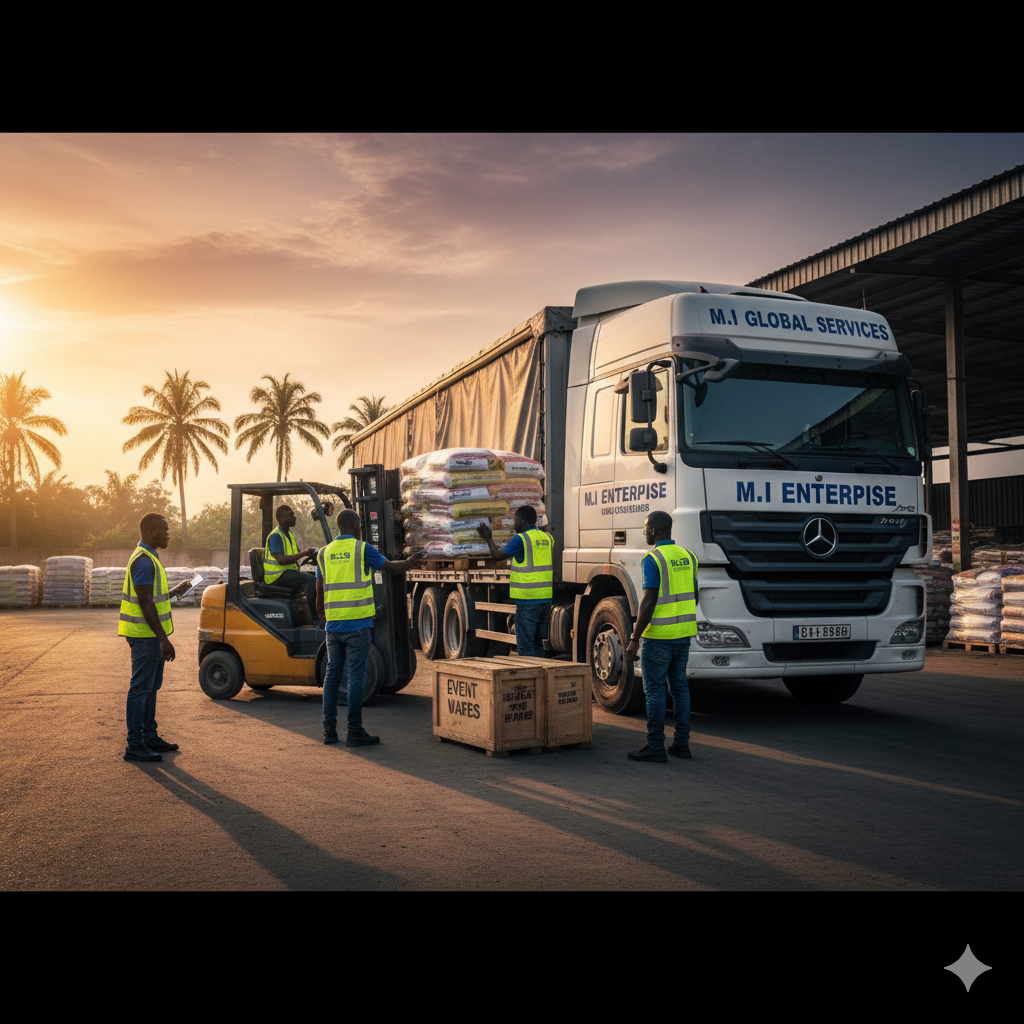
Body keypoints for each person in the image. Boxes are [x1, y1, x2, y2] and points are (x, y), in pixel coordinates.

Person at [317, 509, 424, 747]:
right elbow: (390, 567)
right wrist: (410, 561)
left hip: (333, 626)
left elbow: (318, 590)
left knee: (332, 677)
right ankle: (354, 731)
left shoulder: (324, 553)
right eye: (359, 524)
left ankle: (329, 731)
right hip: (357, 625)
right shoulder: (362, 549)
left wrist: (324, 618)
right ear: (355, 525)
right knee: (356, 677)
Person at [119, 513, 194, 762]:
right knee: (141, 689)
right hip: (145, 637)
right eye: (164, 529)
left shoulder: (150, 557)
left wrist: (175, 591)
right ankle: (135, 744)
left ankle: (149, 736)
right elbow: (143, 601)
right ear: (151, 531)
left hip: (149, 636)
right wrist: (163, 638)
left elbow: (153, 598)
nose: (167, 533)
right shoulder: (143, 560)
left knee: (150, 688)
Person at [624, 510, 699, 763]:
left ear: (655, 530)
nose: (644, 532)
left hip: (659, 638)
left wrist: (635, 637)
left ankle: (656, 745)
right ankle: (681, 745)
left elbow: (648, 601)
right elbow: (694, 596)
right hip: (683, 636)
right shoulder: (689, 557)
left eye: (646, 528)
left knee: (654, 691)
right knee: (679, 688)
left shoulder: (653, 559)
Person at [477, 505, 552, 658]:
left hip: (527, 601)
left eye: (515, 520)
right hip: (545, 600)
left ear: (522, 521)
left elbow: (497, 555)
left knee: (525, 647)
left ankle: (531, 679)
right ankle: (540, 679)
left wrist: (488, 538)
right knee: (539, 645)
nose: (514, 524)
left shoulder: (522, 539)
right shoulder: (547, 538)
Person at [264, 504, 318, 623]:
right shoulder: (276, 536)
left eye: (293, 515)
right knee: (308, 580)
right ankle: (316, 618)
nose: (293, 517)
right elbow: (281, 560)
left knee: (316, 577)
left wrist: (309, 556)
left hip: (287, 573)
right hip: (276, 577)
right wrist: (304, 553)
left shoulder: (288, 535)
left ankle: (315, 614)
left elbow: (293, 557)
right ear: (280, 519)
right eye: (289, 515)